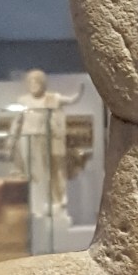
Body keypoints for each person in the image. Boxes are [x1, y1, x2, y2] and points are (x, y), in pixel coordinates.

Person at [8, 69, 83, 214]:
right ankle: (34, 204)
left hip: (42, 138)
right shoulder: (23, 101)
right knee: (29, 172)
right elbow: (17, 121)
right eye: (31, 82)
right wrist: (11, 138)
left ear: (43, 84)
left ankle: (47, 202)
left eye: (37, 82)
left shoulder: (50, 98)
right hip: (26, 138)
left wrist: (80, 92)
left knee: (44, 171)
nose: (34, 85)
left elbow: (71, 100)